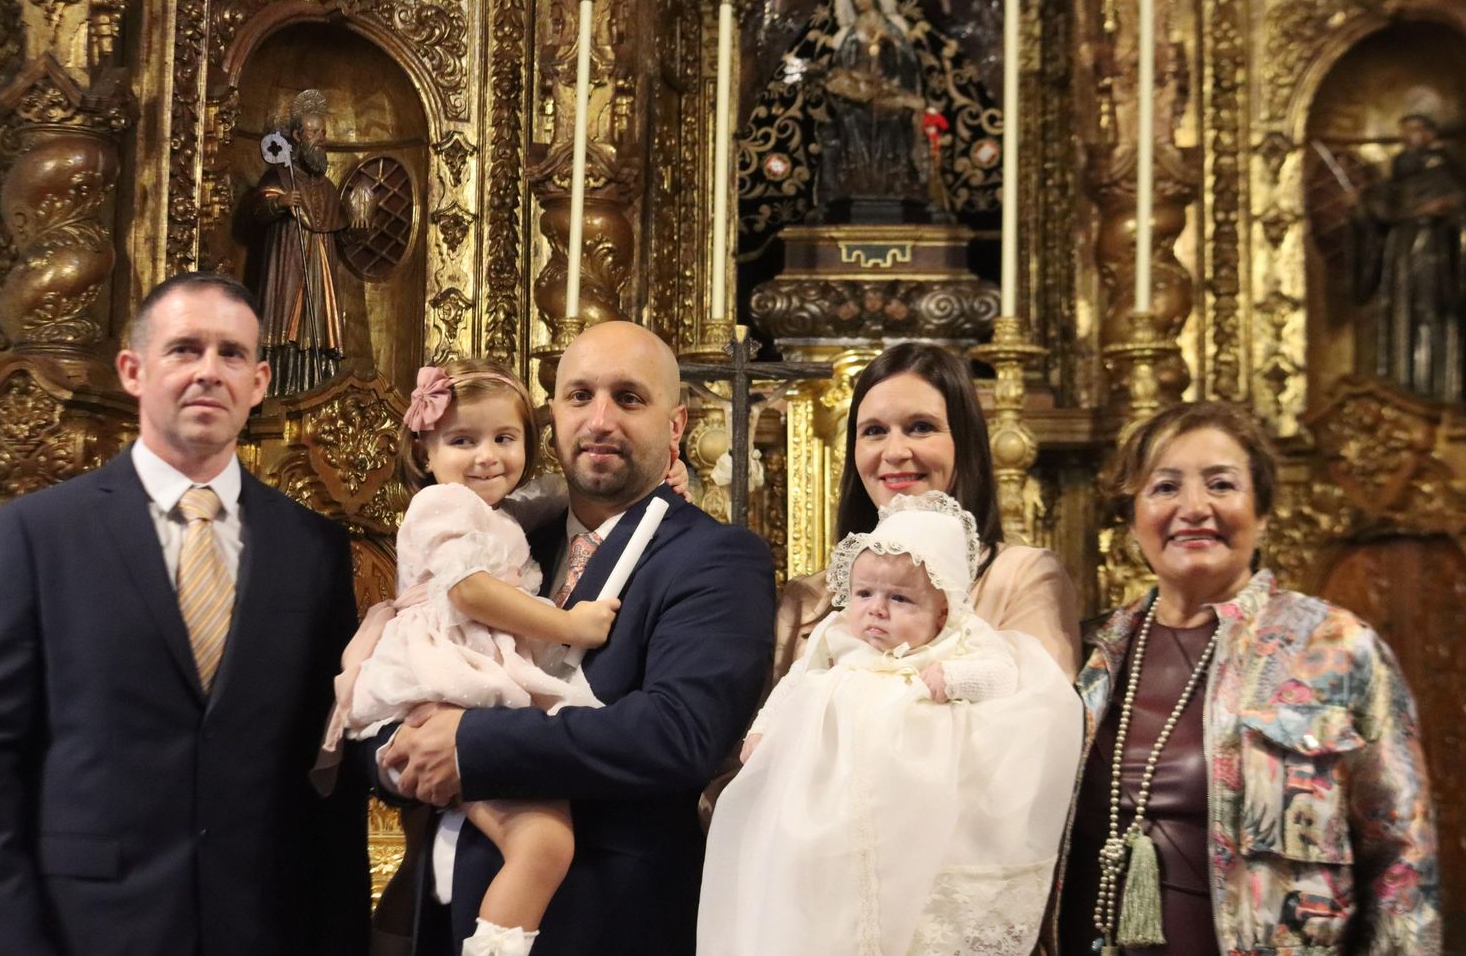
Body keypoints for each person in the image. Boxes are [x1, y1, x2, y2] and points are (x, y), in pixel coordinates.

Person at [0, 272, 369, 956]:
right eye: (184, 349)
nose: (209, 372)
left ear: (259, 382)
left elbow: (330, 768)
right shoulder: (40, 533)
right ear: (133, 370)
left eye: (231, 354)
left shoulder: (312, 547)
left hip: (262, 926)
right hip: (87, 926)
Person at [360, 320, 777, 956]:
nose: (600, 419)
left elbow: (676, 735)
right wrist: (400, 752)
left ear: (677, 426)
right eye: (579, 396)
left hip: (602, 920)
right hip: (444, 912)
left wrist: (470, 743)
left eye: (629, 398)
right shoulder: (501, 538)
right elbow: (399, 675)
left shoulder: (716, 558)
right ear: (551, 414)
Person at [1050, 400, 1441, 955]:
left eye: (1221, 484)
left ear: (1262, 513)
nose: (1193, 507)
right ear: (1131, 516)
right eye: (1164, 487)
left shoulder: (1336, 649)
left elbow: (1403, 863)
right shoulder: (1088, 655)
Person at [699, 491, 1082, 956]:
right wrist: (765, 728)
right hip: (829, 793)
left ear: (943, 609)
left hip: (915, 796)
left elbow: (1002, 677)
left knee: (906, 896)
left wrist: (954, 678)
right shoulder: (836, 633)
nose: (876, 609)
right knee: (816, 881)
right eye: (864, 593)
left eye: (900, 598)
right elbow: (797, 681)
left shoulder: (963, 639)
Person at [776, 342, 1082, 686]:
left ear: (965, 443)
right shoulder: (811, 599)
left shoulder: (1020, 578)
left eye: (920, 427)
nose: (894, 452)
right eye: (874, 431)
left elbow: (1041, 715)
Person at [253, 88, 367, 397]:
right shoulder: (279, 176)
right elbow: (257, 210)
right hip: (288, 270)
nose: (320, 138)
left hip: (320, 273)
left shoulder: (328, 188)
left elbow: (340, 233)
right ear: (296, 136)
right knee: (285, 325)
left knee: (318, 325)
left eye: (323, 133)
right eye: (314, 132)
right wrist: (280, 203)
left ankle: (319, 387)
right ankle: (279, 389)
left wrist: (358, 220)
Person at [1354, 111, 1466, 406]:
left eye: (1417, 131)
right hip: (1398, 255)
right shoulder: (1396, 177)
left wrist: (1444, 209)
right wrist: (1362, 209)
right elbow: (1379, 210)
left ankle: (1432, 392)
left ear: (1430, 136)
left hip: (1431, 255)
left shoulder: (1443, 174)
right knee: (1398, 317)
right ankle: (1398, 390)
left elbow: (1461, 207)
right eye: (1405, 131)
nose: (1410, 138)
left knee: (1428, 316)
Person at [820, 0, 929, 208]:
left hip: (888, 88)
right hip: (857, 91)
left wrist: (891, 50)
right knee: (851, 117)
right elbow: (843, 64)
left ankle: (893, 179)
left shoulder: (891, 28)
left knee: (896, 114)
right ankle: (858, 178)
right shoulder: (851, 33)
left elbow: (907, 65)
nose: (859, 0)